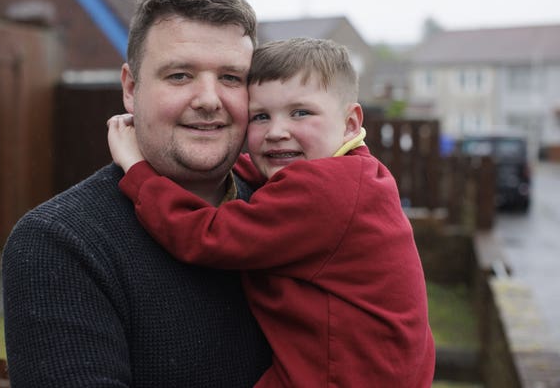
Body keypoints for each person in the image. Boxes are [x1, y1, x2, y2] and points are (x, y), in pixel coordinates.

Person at [108, 38, 436, 387]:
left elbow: (207, 237)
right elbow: (266, 173)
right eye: (260, 117)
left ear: (351, 123)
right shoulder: (356, 173)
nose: (277, 132)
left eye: (301, 113)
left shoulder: (323, 192)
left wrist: (137, 170)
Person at [1, 0, 272, 387]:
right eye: (180, 75)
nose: (209, 99)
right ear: (131, 88)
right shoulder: (59, 244)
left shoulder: (282, 215)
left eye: (231, 77)